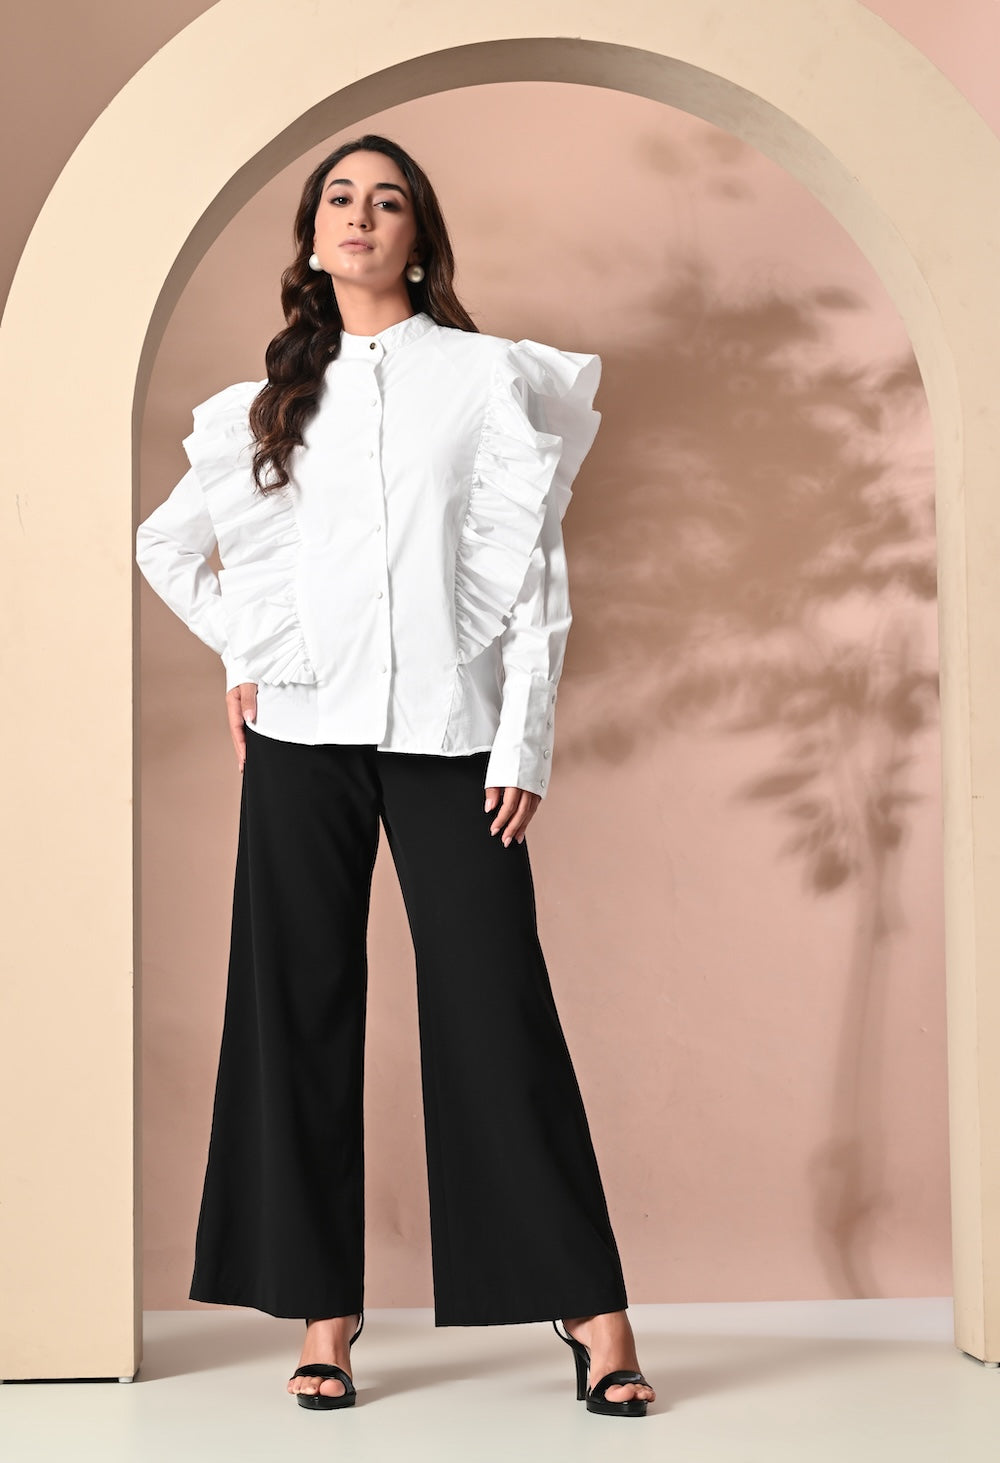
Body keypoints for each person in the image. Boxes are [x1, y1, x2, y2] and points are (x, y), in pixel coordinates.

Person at [135, 132, 655, 1418]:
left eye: (386, 201)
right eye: (339, 198)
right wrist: (250, 654)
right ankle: (325, 1310)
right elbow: (167, 546)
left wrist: (521, 739)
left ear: (419, 240)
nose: (360, 215)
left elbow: (534, 575)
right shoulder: (265, 402)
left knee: (495, 1003)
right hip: (302, 738)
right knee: (295, 1009)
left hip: (449, 735)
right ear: (313, 236)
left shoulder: (484, 378)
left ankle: (589, 1307)